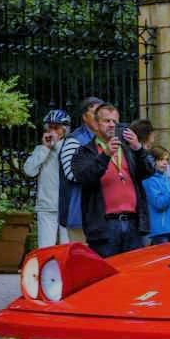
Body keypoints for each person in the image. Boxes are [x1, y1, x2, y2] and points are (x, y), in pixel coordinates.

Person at [69, 103, 155, 258]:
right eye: (107, 121)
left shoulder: (128, 149)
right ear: (96, 124)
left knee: (132, 275)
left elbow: (148, 171)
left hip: (133, 223)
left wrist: (138, 149)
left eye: (115, 122)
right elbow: (85, 177)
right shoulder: (84, 152)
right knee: (107, 275)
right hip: (104, 226)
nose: (111, 125)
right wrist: (105, 155)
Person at [23, 109, 71, 248]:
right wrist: (45, 148)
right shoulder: (41, 148)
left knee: (67, 248)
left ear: (64, 129)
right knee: (45, 248)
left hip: (66, 206)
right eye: (49, 127)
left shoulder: (70, 147)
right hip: (47, 206)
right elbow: (29, 171)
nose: (52, 131)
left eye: (56, 127)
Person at [59, 97, 103, 243]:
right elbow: (72, 174)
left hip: (103, 214)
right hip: (80, 213)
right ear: (84, 117)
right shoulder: (75, 140)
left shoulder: (107, 138)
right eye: (94, 113)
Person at [143, 146, 170, 245]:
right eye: (160, 159)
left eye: (166, 160)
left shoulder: (166, 178)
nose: (165, 163)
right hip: (161, 233)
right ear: (152, 161)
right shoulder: (149, 180)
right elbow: (159, 204)